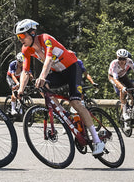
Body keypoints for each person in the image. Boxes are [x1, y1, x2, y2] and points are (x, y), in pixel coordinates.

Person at [14, 18, 104, 156]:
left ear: (32, 33)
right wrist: (20, 89)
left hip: (72, 68)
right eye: (18, 37)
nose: (20, 39)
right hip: (58, 72)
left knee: (75, 102)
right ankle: (61, 113)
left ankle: (97, 140)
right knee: (42, 87)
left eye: (22, 36)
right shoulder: (26, 49)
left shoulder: (45, 39)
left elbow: (49, 59)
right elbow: (26, 71)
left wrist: (42, 76)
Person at [108, 49, 134, 119]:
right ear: (117, 57)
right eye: (120, 59)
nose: (122, 61)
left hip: (123, 76)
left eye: (124, 59)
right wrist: (122, 88)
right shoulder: (114, 64)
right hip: (113, 77)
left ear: (127, 58)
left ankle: (132, 106)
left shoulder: (130, 62)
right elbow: (116, 79)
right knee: (122, 90)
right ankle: (124, 113)